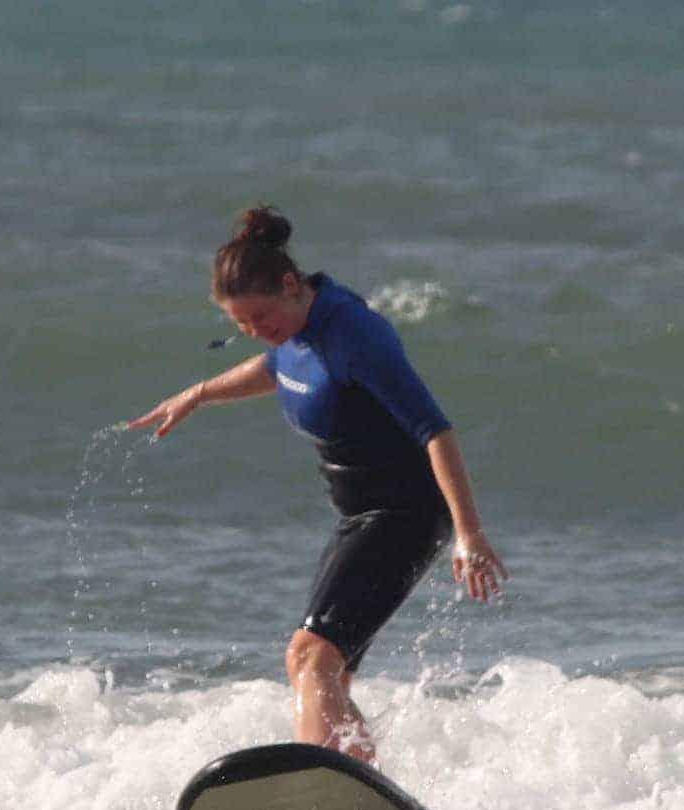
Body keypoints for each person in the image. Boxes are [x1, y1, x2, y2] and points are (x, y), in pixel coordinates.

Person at [129, 206, 507, 763]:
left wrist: (469, 535)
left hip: (402, 512)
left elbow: (436, 431)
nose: (258, 334)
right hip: (359, 515)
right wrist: (201, 392)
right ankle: (356, 779)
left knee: (312, 656)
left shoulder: (355, 333)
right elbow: (280, 366)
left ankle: (322, 789)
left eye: (261, 317)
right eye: (243, 327)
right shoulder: (297, 327)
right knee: (316, 666)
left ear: (289, 285)